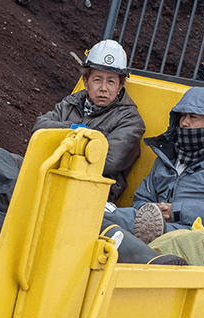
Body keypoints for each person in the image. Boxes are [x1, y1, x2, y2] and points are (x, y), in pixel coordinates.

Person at [103, 86, 204, 242]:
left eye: (193, 117)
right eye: (182, 116)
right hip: (150, 226)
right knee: (107, 217)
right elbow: (141, 199)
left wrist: (177, 212)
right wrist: (151, 213)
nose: (184, 123)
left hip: (198, 236)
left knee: (112, 222)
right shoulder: (168, 155)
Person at [32, 39, 145, 201]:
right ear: (86, 82)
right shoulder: (71, 103)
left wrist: (61, 137)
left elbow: (106, 161)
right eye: (97, 79)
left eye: (111, 81)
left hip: (90, 193)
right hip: (49, 175)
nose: (104, 88)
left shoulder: (131, 121)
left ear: (120, 86)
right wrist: (78, 129)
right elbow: (39, 128)